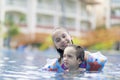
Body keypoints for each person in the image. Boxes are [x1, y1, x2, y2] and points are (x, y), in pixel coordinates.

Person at [42, 27, 107, 73]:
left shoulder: (85, 56)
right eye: (58, 40)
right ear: (56, 46)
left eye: (64, 36)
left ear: (70, 37)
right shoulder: (57, 64)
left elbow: (102, 62)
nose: (62, 40)